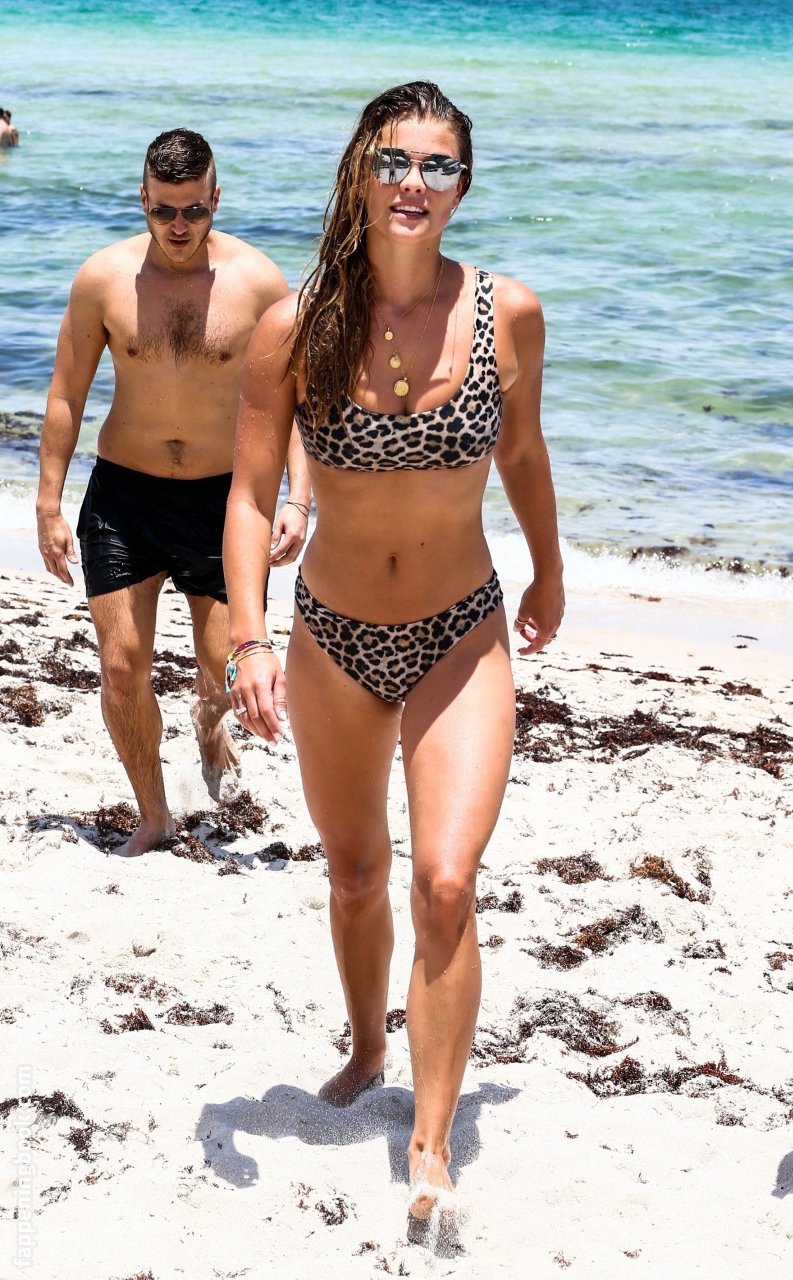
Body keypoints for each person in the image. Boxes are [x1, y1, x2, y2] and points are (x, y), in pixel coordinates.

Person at [223, 82, 564, 1222]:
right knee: (357, 872)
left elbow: (523, 454)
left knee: (446, 882)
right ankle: (369, 1046)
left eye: (437, 166)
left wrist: (550, 571)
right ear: (360, 172)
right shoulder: (296, 326)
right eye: (394, 161)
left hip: (459, 630)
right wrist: (247, 638)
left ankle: (429, 1141)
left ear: (462, 187)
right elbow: (249, 493)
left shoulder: (508, 313)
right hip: (330, 636)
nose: (414, 183)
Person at [36, 128, 310, 857]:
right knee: (122, 666)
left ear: (216, 198)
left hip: (225, 505)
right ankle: (153, 815)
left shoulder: (258, 284)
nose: (179, 226)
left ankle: (209, 727)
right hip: (124, 498)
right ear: (142, 199)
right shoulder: (103, 279)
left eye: (194, 210)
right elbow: (65, 394)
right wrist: (48, 503)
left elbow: (295, 401)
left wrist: (297, 499)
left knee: (222, 673)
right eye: (164, 210)